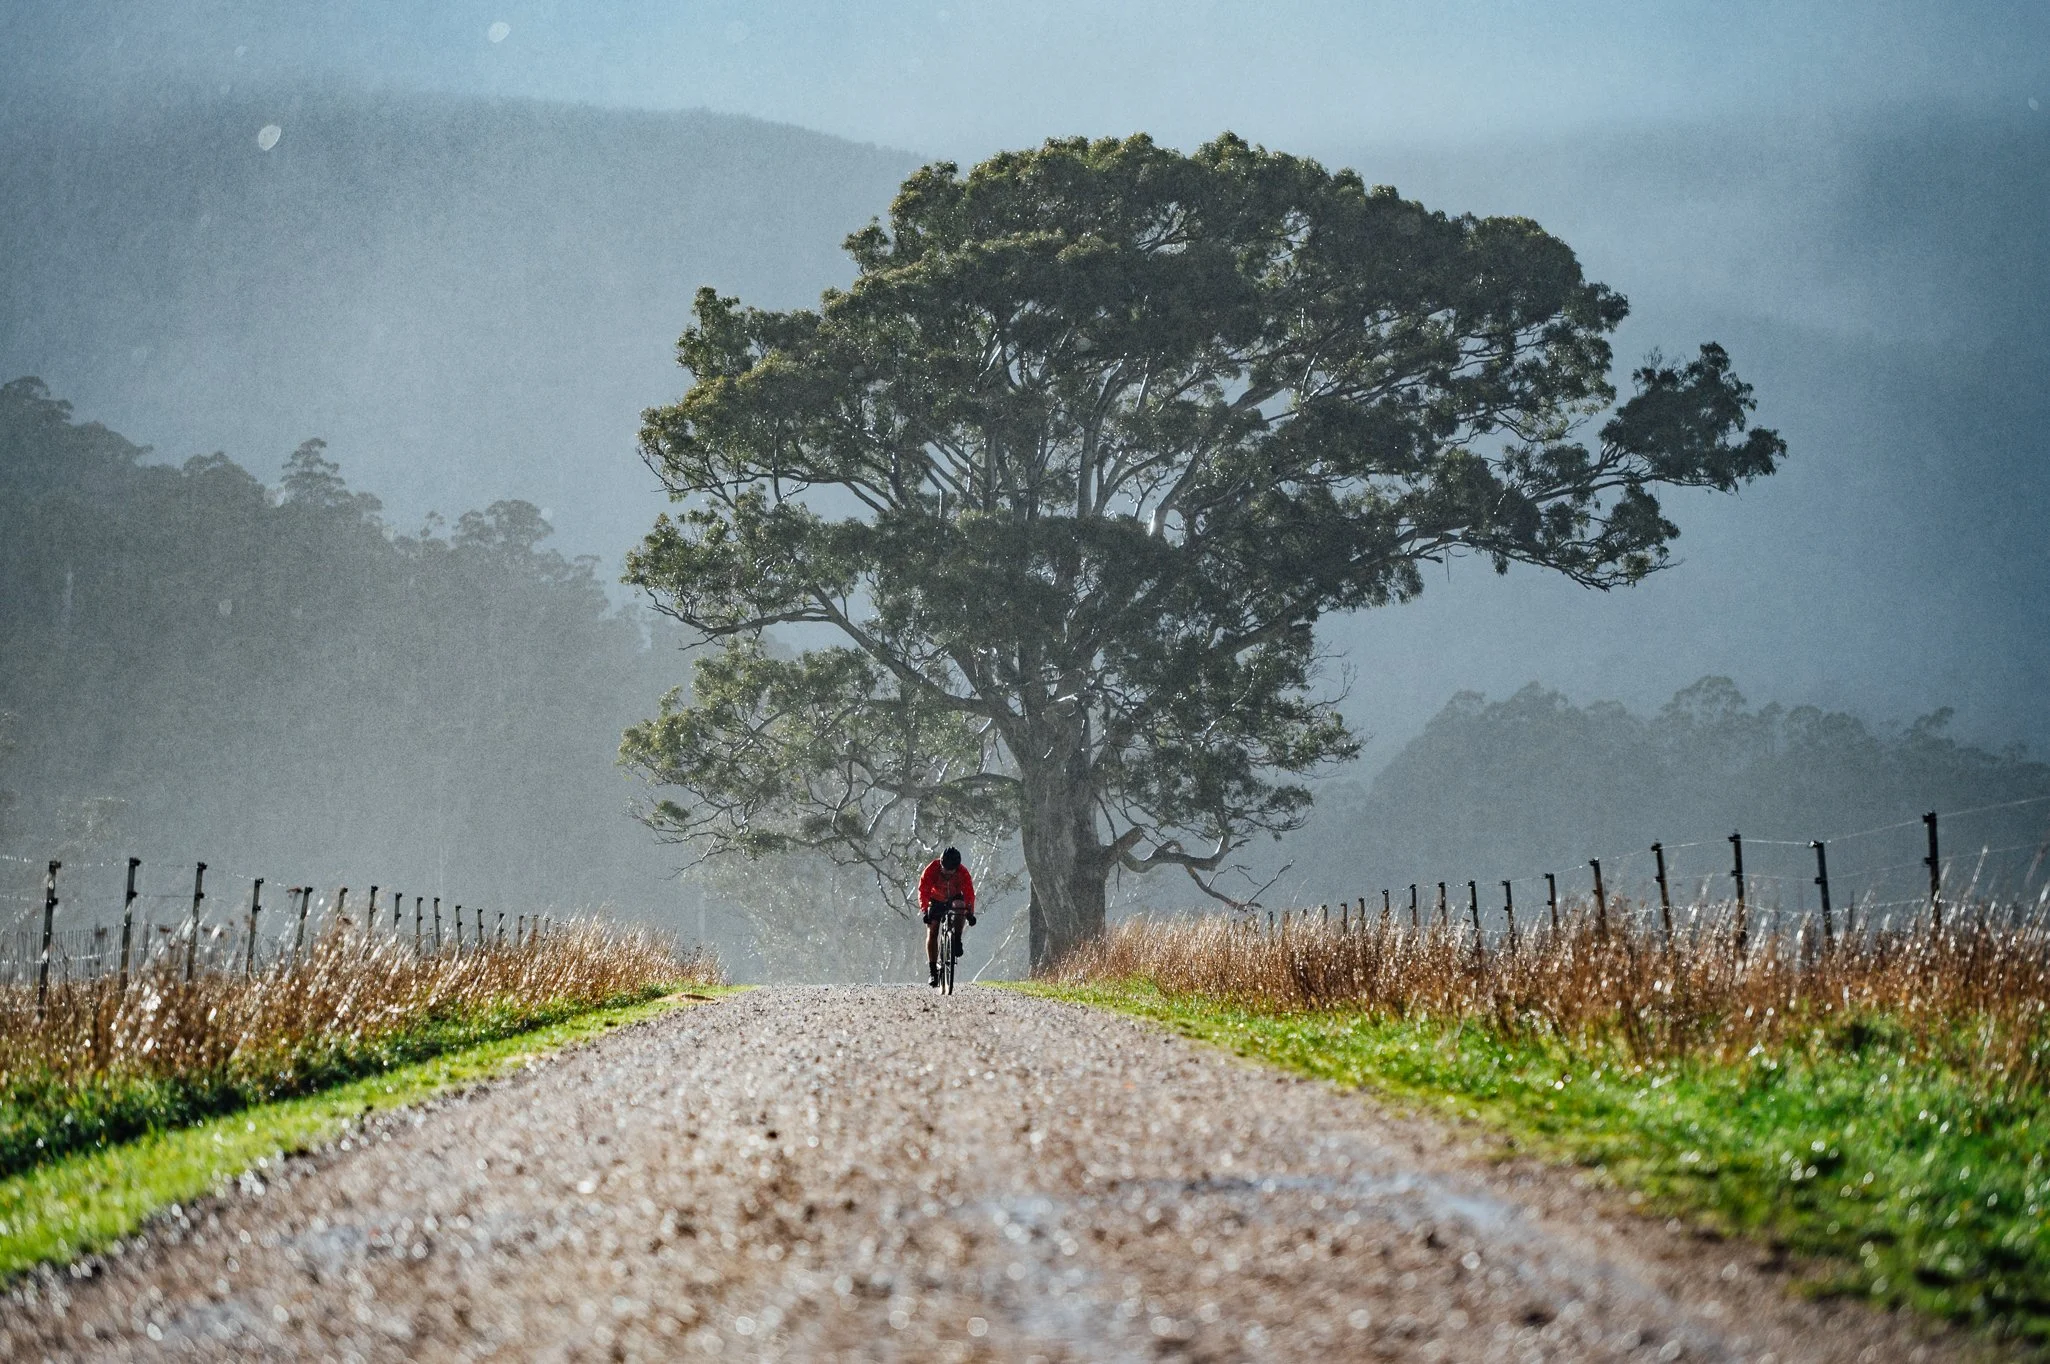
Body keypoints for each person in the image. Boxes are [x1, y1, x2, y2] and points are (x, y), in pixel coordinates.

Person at [918, 846, 976, 987]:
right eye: (945, 870)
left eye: (952, 871)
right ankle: (933, 971)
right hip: (935, 899)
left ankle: (956, 940)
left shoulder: (963, 872)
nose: (948, 874)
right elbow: (923, 890)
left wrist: (969, 913)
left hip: (954, 898)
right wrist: (925, 911)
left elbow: (969, 894)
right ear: (941, 864)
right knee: (933, 930)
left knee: (959, 905)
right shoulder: (932, 869)